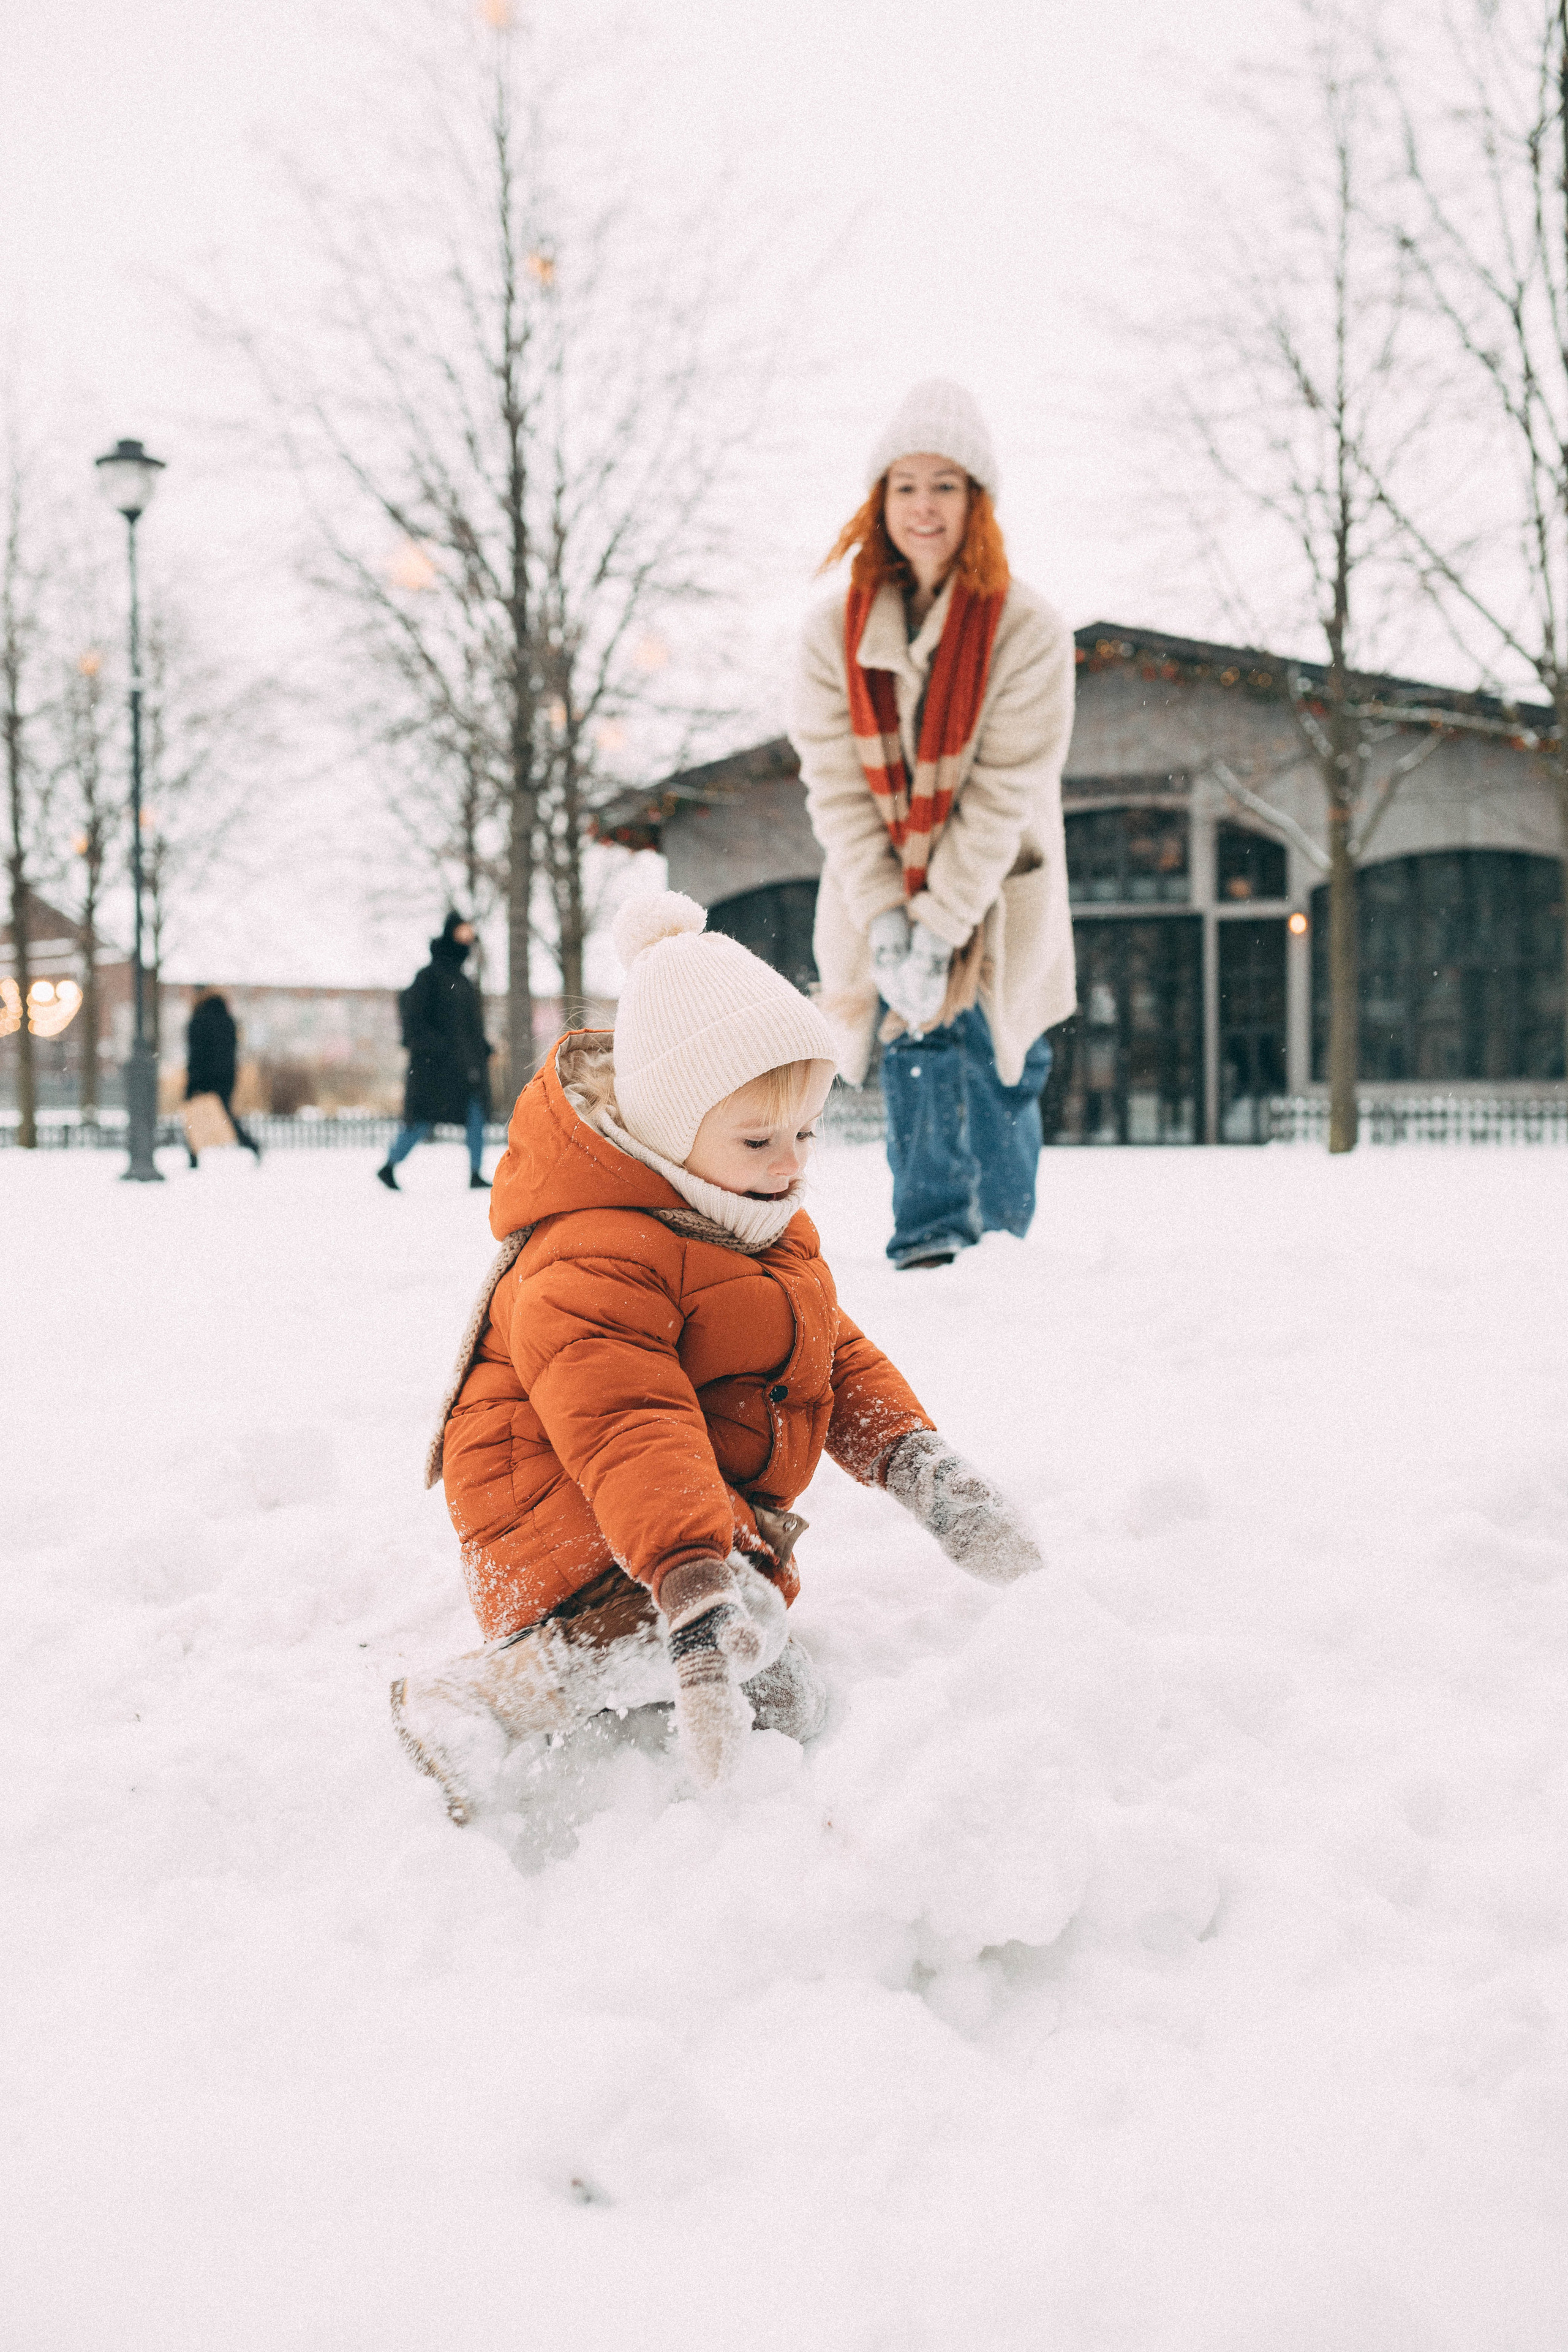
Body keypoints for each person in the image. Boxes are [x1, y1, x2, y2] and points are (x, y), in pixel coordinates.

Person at [391, 891, 1043, 1820]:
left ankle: (684, 1632)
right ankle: (475, 1700)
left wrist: (919, 1464)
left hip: (670, 1522)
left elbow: (831, 1353)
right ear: (666, 1126)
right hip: (561, 1514)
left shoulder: (745, 1216)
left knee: (790, 1698)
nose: (789, 1164)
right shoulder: (589, 1252)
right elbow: (630, 1425)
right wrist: (697, 1584)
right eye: (757, 1138)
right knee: (746, 1627)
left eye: (806, 1134)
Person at [791, 379, 1077, 1268]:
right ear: (879, 500)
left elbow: (1002, 790)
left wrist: (941, 924)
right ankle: (928, 1245)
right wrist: (886, 918)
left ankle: (1002, 1247)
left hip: (998, 882)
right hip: (877, 876)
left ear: (975, 502)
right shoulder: (827, 630)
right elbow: (837, 783)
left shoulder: (1027, 629)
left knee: (997, 1058)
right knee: (916, 1040)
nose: (924, 507)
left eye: (945, 485)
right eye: (906, 485)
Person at [377, 912, 494, 1193]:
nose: (468, 942)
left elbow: (469, 1026)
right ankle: (389, 1166)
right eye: (463, 935)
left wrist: (483, 1048)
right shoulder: (430, 977)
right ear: (451, 936)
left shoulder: (464, 982)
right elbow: (413, 1019)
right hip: (435, 1068)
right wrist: (436, 1049)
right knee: (422, 1120)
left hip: (465, 1067)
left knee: (475, 1113)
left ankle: (476, 1172)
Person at [183, 989, 262, 1166]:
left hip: (202, 1077)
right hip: (226, 1077)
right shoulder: (228, 1021)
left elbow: (196, 1054)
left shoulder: (198, 1021)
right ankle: (251, 1145)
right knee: (225, 1115)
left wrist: (194, 1079)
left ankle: (194, 1155)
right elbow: (230, 1052)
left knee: (194, 1116)